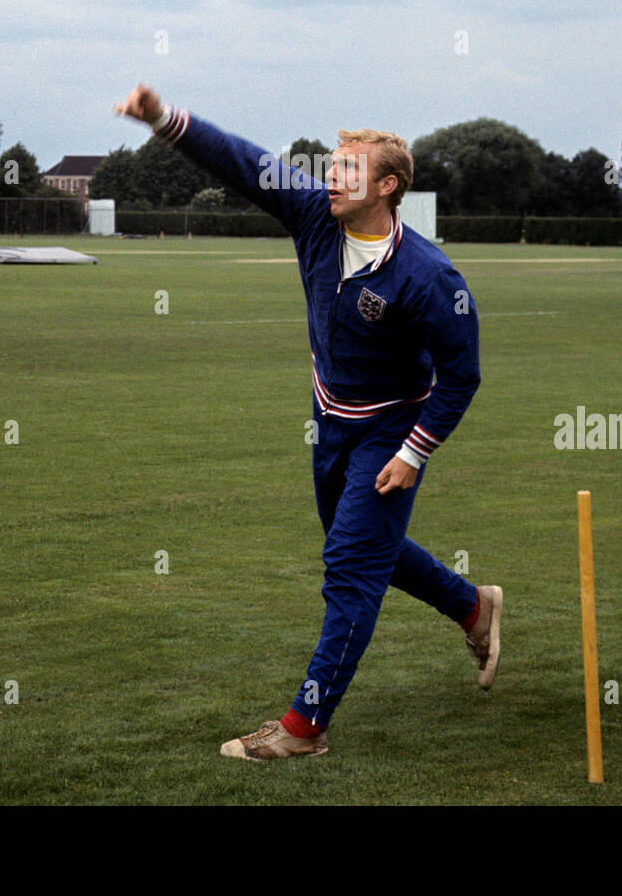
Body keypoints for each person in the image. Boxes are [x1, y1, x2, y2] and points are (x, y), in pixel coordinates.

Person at [113, 84, 501, 760]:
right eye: (331, 163)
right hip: (329, 421)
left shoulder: (430, 276)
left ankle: (304, 728)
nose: (331, 175)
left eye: (348, 168)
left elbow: (461, 376)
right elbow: (241, 160)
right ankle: (473, 605)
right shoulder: (314, 217)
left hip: (391, 430)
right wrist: (160, 118)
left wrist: (413, 451)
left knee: (350, 564)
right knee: (363, 546)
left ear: (386, 185)